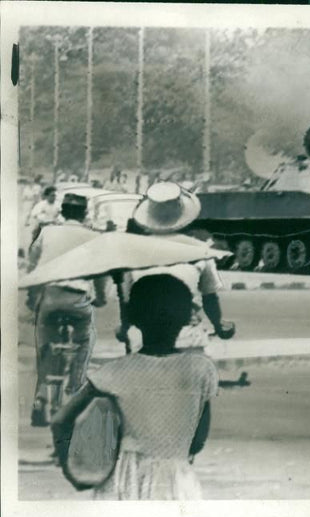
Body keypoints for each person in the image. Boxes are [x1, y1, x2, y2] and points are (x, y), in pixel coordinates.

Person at [52, 274, 218, 500]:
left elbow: (61, 420)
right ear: (186, 317)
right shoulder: (200, 371)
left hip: (122, 480)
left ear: (133, 318)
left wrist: (75, 472)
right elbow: (197, 441)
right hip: (176, 481)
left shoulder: (113, 373)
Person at [122, 182, 234, 353]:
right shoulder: (199, 252)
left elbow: (127, 301)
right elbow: (210, 298)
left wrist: (124, 329)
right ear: (183, 215)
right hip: (187, 336)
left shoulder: (133, 253)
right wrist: (218, 325)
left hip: (143, 339)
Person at [28, 193, 107, 427]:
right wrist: (101, 298)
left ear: (62, 211)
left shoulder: (46, 233)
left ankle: (42, 397)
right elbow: (101, 272)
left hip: (50, 298)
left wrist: (33, 300)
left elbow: (33, 268)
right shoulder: (93, 236)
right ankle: (74, 388)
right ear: (84, 214)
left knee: (44, 345)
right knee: (85, 340)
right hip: (78, 300)